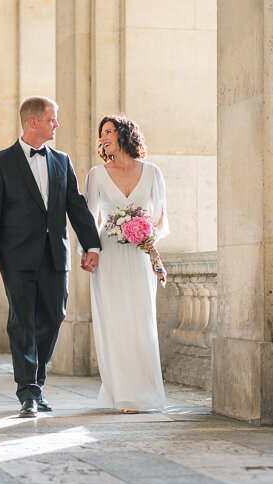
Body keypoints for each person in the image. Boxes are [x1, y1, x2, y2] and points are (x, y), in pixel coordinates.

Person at [0, 96, 101, 418]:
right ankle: (29, 392)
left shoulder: (62, 161)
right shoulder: (0, 162)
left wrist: (93, 245)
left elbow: (75, 206)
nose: (56, 124)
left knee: (54, 316)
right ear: (33, 122)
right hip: (16, 258)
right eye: (52, 119)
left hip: (54, 256)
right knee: (22, 324)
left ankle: (36, 383)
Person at [82, 116, 168, 413]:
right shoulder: (96, 174)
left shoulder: (153, 172)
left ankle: (144, 391)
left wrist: (147, 236)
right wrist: (89, 250)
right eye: (101, 133)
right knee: (116, 322)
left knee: (141, 321)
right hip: (110, 255)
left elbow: (160, 218)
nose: (103, 138)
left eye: (109, 132)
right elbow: (87, 218)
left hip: (139, 254)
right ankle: (124, 393)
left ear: (124, 135)